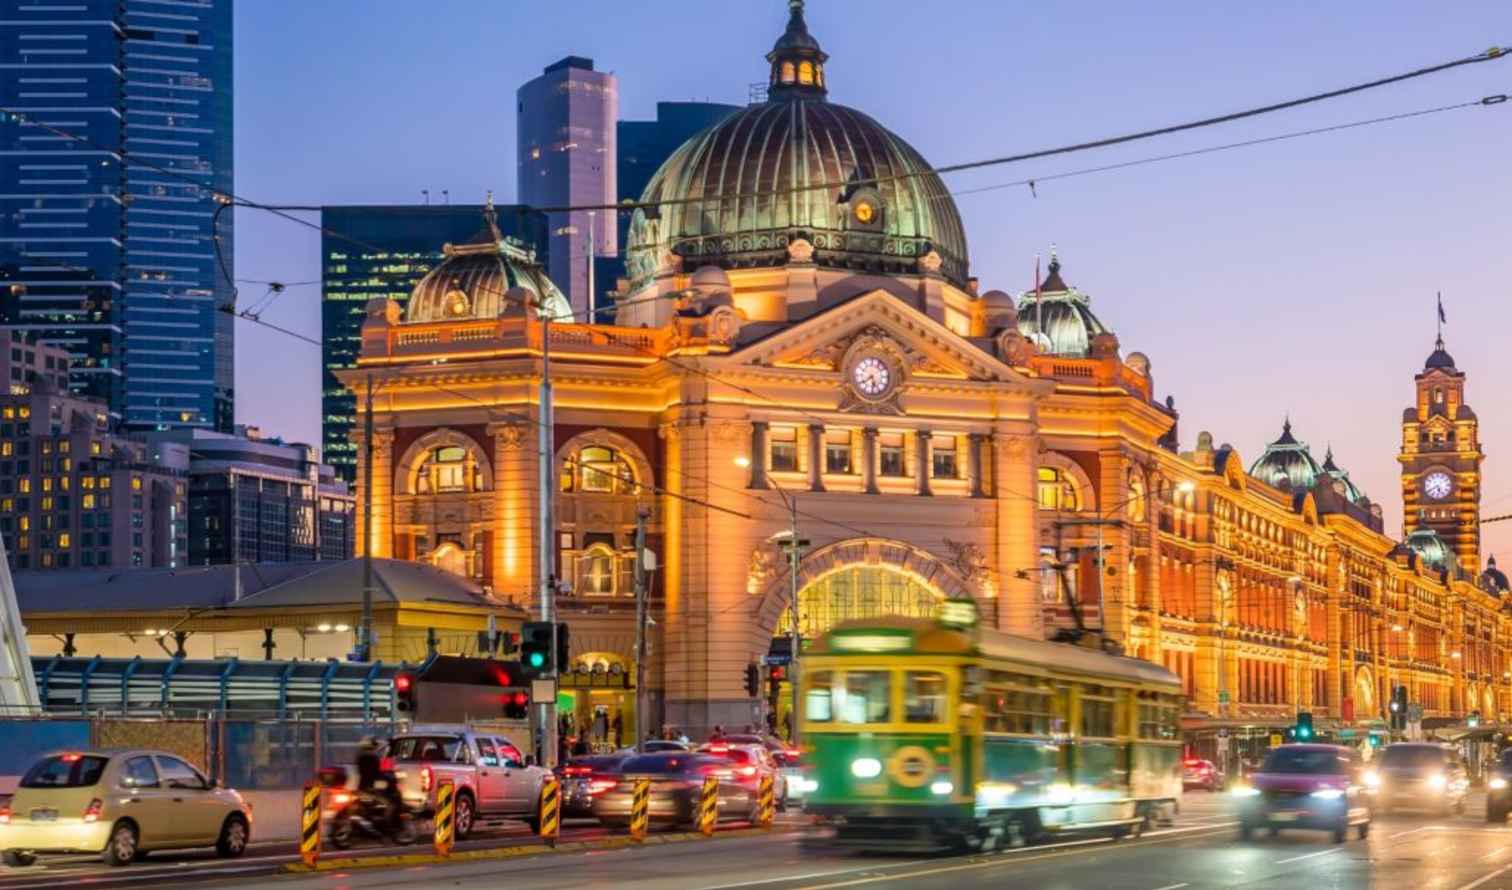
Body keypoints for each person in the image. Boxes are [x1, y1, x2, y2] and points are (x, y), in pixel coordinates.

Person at [355, 736, 404, 836]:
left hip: (363, 787)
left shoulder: (361, 758)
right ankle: (388, 826)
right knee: (390, 804)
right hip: (371, 789)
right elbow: (377, 773)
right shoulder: (372, 758)